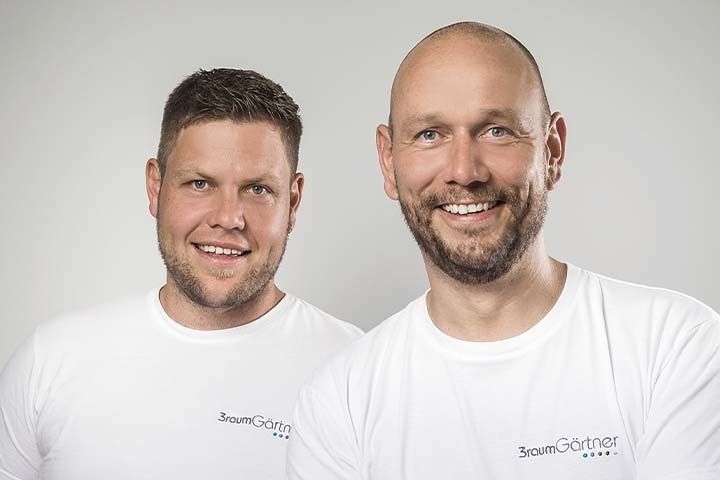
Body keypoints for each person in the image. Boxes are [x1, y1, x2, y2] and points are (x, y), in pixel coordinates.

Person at [287, 22, 720, 480]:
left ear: (552, 151)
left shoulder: (675, 345)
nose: (464, 171)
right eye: (430, 135)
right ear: (388, 161)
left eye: (497, 131)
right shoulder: (340, 401)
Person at [0, 68, 362, 479]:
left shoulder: (355, 371)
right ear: (155, 187)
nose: (228, 218)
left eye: (257, 189)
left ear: (292, 202)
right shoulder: (51, 360)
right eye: (199, 184)